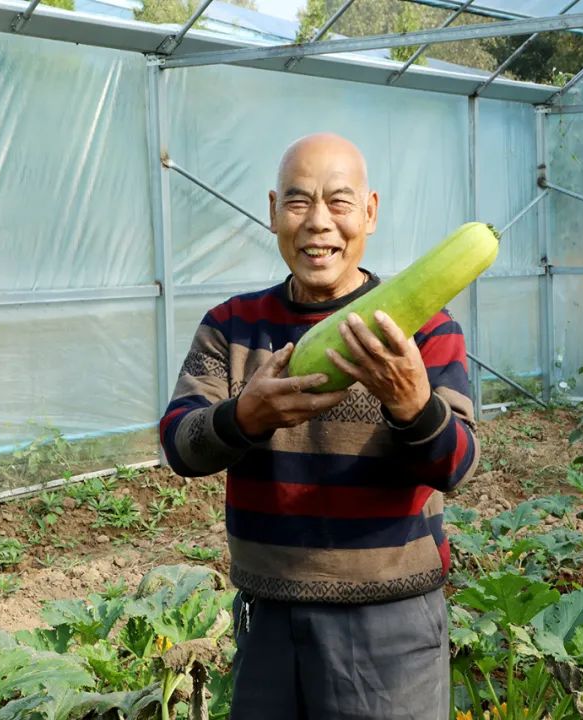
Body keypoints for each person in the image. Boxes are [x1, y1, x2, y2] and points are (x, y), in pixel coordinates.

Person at [158, 132, 478, 719]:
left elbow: (457, 463)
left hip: (392, 625)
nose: (319, 223)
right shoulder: (231, 326)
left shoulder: (426, 329)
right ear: (274, 211)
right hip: (268, 616)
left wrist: (412, 403)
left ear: (370, 212)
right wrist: (243, 416)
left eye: (339, 201)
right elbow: (179, 442)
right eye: (300, 201)